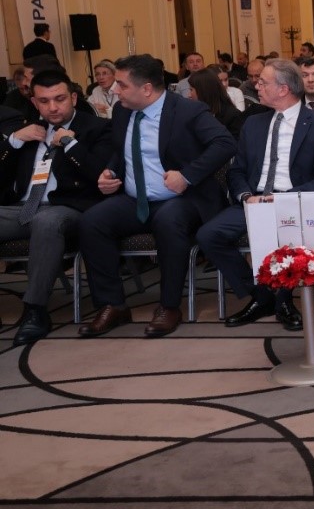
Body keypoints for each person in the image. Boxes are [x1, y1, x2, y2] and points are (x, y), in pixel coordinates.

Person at [77, 54, 237, 338]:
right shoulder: (122, 111)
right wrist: (111, 171)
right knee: (91, 222)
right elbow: (122, 150)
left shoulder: (188, 110)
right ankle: (112, 305)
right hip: (134, 199)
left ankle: (169, 306)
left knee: (168, 220)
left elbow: (225, 143)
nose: (115, 90)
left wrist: (186, 175)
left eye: (122, 85)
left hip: (182, 198)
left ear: (147, 88)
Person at [197, 59, 314, 332]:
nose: (256, 86)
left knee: (286, 233)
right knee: (208, 235)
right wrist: (245, 196)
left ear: (283, 89)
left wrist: (286, 198)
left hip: (294, 202)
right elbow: (237, 170)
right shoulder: (253, 123)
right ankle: (262, 296)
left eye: (263, 82)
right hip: (255, 201)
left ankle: (283, 301)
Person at [0, 70, 113, 344]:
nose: (52, 107)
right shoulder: (28, 130)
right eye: (44, 101)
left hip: (68, 207)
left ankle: (35, 310)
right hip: (22, 207)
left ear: (73, 98)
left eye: (59, 99)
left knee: (47, 221)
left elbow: (99, 175)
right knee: (40, 219)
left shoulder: (97, 128)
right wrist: (13, 142)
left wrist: (68, 143)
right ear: (34, 102)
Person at [186, 68, 246, 139]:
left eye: (191, 90)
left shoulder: (233, 116)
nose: (189, 95)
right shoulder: (194, 113)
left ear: (204, 91)